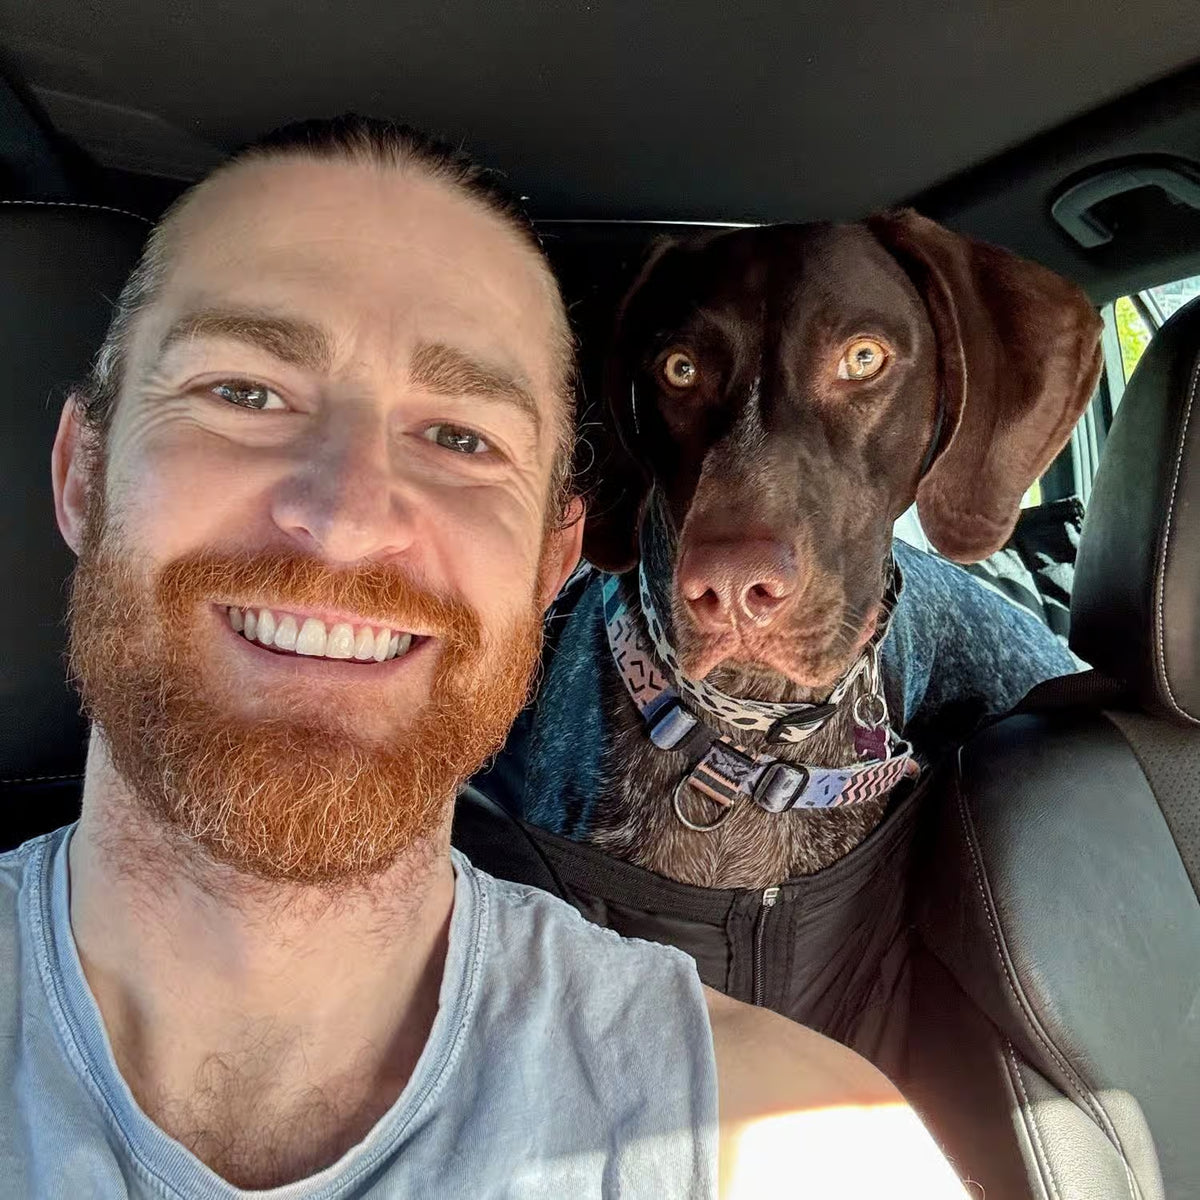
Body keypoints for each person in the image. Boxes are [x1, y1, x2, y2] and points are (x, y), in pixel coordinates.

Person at [0, 115, 965, 1198]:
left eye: (461, 438)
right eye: (246, 393)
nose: (346, 519)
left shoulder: (801, 1143)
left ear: (557, 560)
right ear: (82, 474)